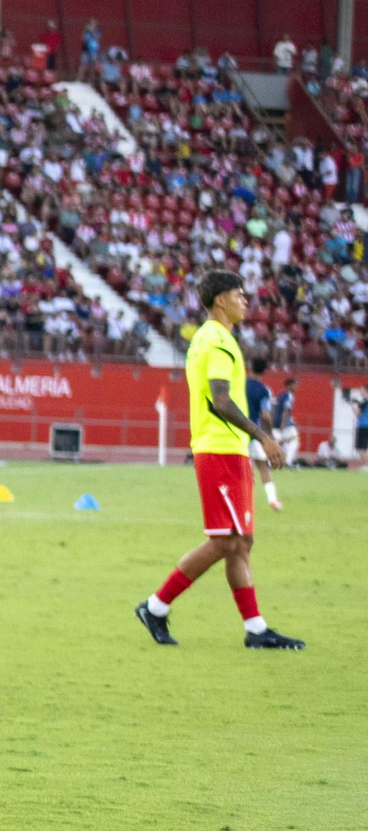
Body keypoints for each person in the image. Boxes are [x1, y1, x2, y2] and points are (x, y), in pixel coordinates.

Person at [134, 272, 303, 650]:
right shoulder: (217, 340)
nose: (246, 301)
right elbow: (220, 400)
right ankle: (156, 606)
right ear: (221, 300)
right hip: (219, 449)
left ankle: (256, 629)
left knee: (241, 541)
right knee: (225, 541)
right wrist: (264, 436)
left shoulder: (208, 339)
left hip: (229, 449)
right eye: (239, 295)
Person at [245, 358, 282, 510]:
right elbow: (266, 415)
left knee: (240, 468)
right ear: (264, 371)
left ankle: (242, 500)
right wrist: (270, 434)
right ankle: (273, 500)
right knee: (262, 467)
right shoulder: (264, 390)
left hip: (237, 431)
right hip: (254, 433)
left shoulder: (239, 384)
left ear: (250, 368)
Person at [271, 375, 299, 467]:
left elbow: (275, 409)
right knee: (294, 440)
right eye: (294, 384)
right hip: (284, 424)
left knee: (278, 442)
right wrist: (283, 424)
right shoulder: (289, 395)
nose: (296, 386)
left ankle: (272, 461)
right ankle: (288, 461)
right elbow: (285, 411)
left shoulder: (281, 395)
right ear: (289, 385)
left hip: (276, 422)